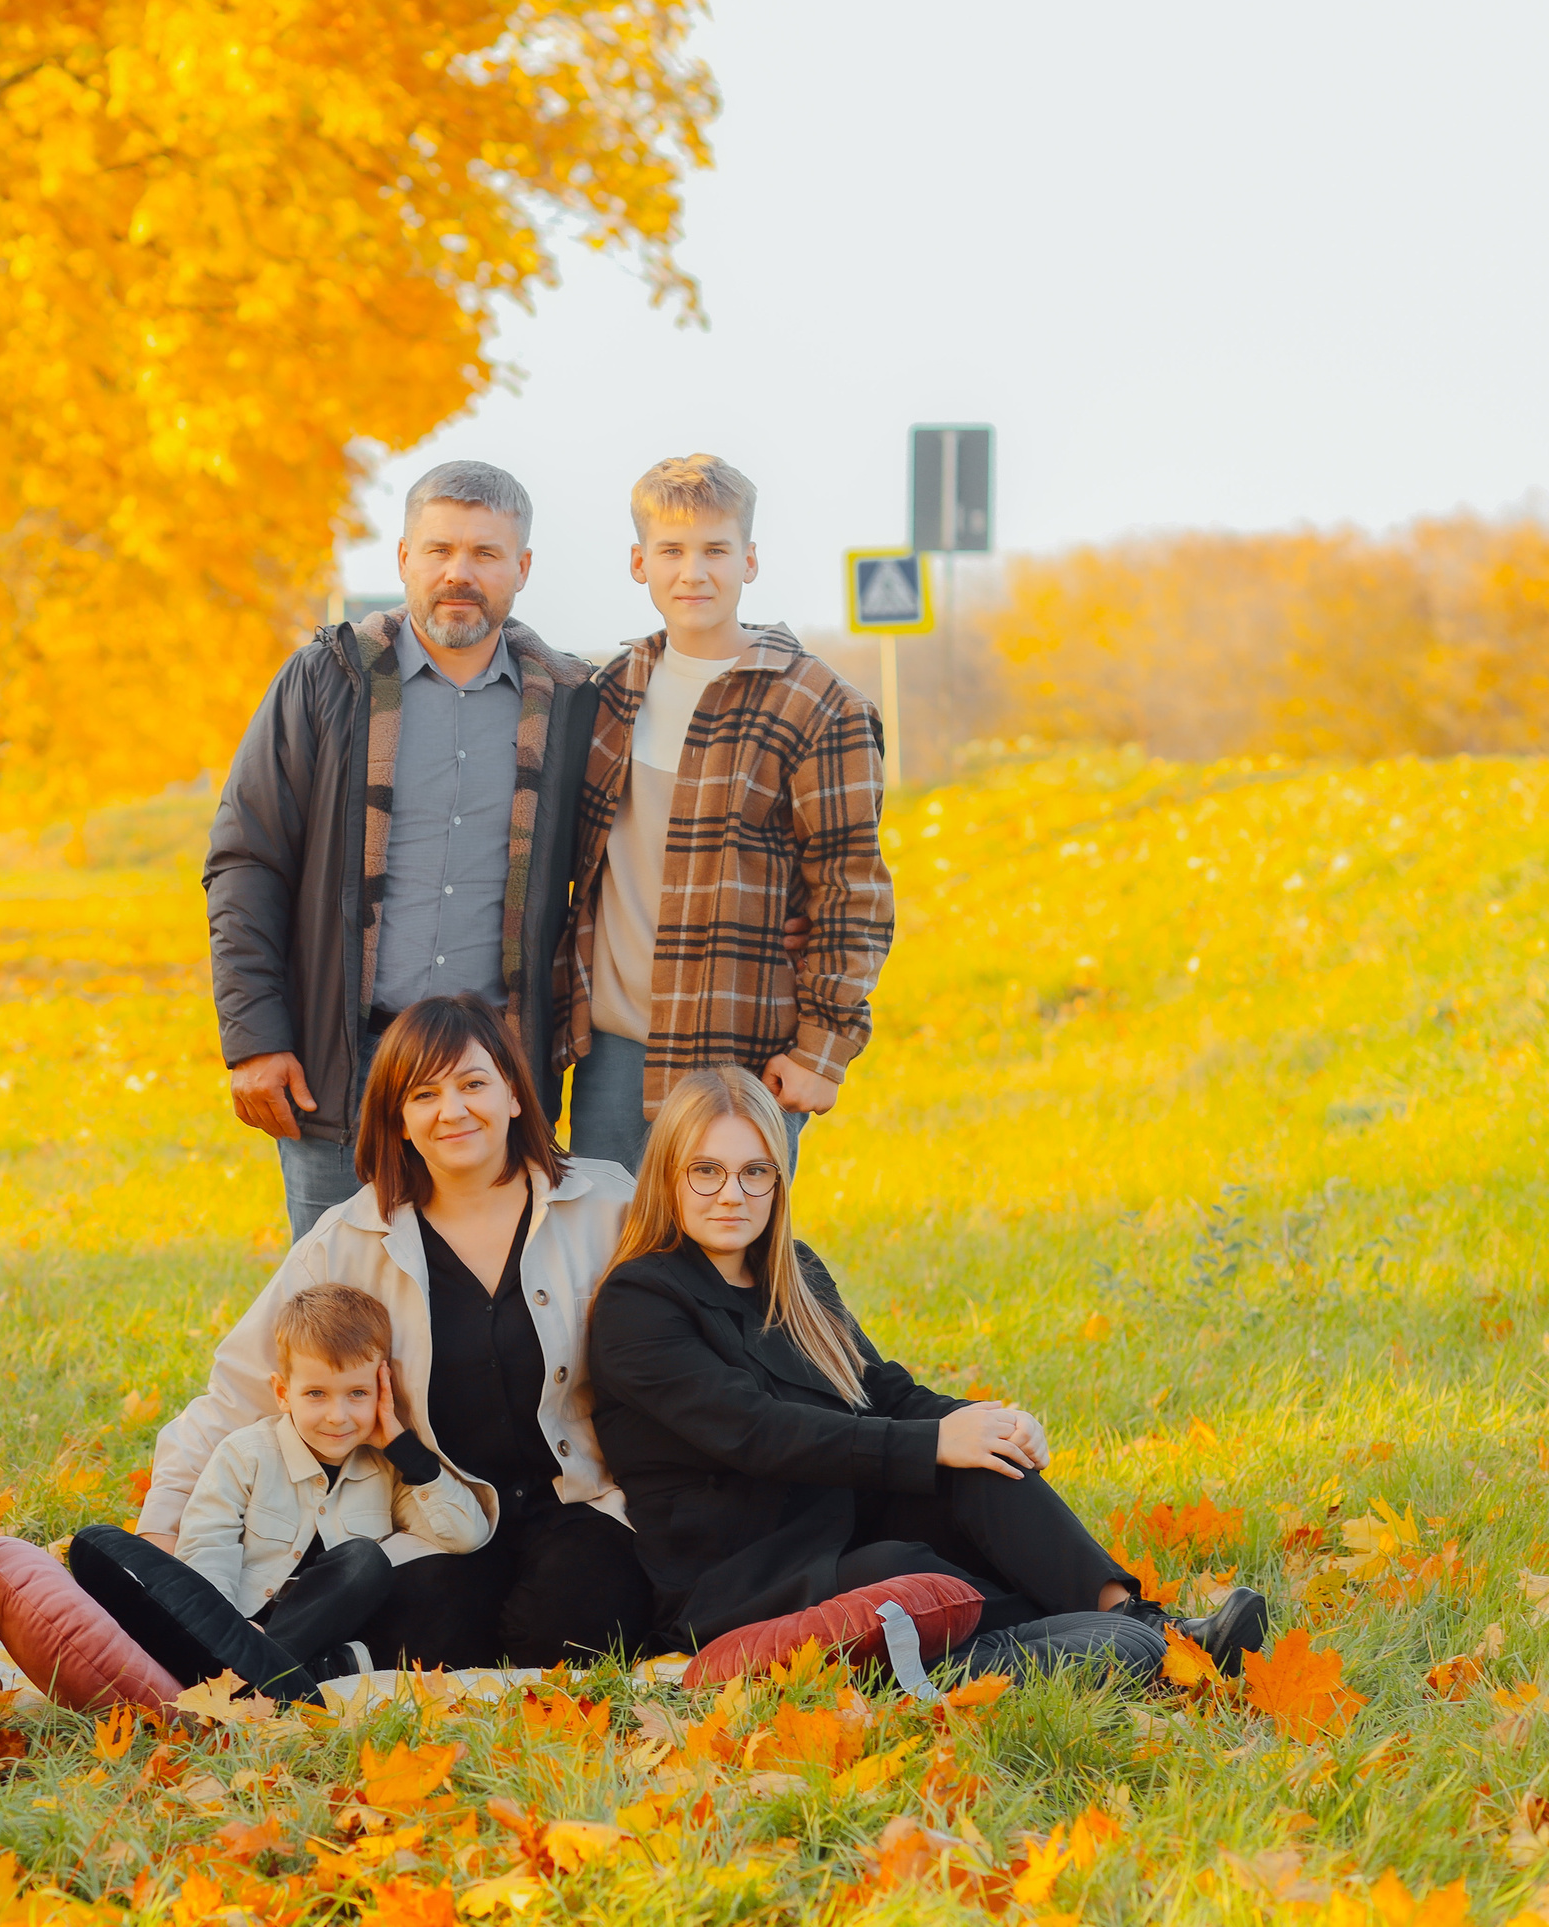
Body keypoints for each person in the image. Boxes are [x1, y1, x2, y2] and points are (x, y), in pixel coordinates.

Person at [584, 1067, 1272, 1678]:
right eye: (706, 1170)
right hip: (741, 1579)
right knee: (910, 1573)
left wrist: (984, 1422)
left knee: (983, 1465)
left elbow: (882, 1390)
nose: (731, 1193)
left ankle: (1157, 1630)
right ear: (668, 1174)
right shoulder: (639, 1303)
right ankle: (1081, 1649)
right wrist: (933, 1442)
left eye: (754, 1171)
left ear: (778, 1180)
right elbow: (757, 1432)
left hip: (837, 1522)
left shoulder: (794, 1274)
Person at [137, 992, 653, 1669]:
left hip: (577, 1498)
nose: (453, 1110)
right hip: (437, 1509)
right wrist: (162, 1523)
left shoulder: (608, 1204)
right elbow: (242, 1390)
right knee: (423, 1640)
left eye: (474, 1084)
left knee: (576, 1631)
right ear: (400, 1120)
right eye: (425, 1094)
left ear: (515, 1095)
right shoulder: (350, 1239)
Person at [205, 460, 599, 1244]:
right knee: (339, 1308)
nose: (460, 572)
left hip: (496, 1071)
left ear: (522, 568)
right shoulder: (329, 680)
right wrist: (256, 1039)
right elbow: (247, 860)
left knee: (488, 1306)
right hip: (344, 1063)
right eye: (440, 549)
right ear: (403, 560)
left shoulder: (569, 703)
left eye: (487, 553)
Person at [556, 454, 895, 1173]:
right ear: (638, 562)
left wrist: (821, 1052)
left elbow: (852, 892)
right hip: (613, 1052)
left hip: (739, 1049)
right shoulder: (610, 694)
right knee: (610, 1270)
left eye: (715, 550)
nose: (693, 572)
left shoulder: (818, 705)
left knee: (728, 1271)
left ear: (749, 560)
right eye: (671, 551)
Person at [68, 1284, 491, 1701]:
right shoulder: (245, 1455)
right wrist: (227, 1626)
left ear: (384, 1391)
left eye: (358, 1393)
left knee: (370, 1562)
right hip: (245, 1624)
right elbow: (208, 1547)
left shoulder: (385, 1468)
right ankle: (262, 1669)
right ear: (283, 1393)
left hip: (333, 1633)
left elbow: (465, 1534)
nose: (337, 1416)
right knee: (108, 1549)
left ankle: (269, 1676)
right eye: (316, 1394)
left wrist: (406, 1450)